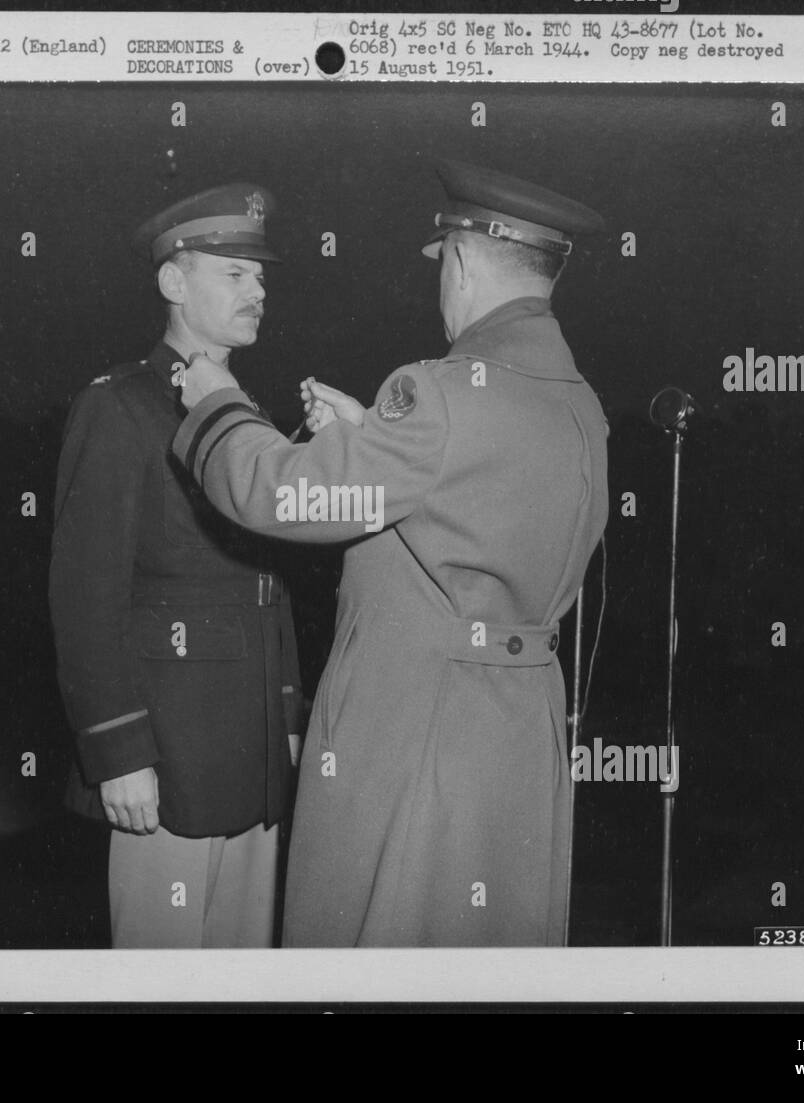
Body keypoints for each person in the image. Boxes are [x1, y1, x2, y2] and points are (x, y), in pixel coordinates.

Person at [173, 160, 609, 946]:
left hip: (415, 736)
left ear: (466, 262)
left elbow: (279, 493)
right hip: (516, 739)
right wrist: (369, 433)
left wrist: (217, 403)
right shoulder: (577, 401)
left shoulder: (440, 393)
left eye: (443, 265)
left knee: (377, 947)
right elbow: (468, 502)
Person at [48, 182, 303, 948]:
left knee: (244, 979)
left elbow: (267, 588)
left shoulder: (242, 415)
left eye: (261, 276)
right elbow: (85, 595)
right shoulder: (119, 406)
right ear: (172, 282)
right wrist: (118, 751)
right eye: (234, 273)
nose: (258, 291)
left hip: (251, 756)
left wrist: (285, 718)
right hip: (167, 760)